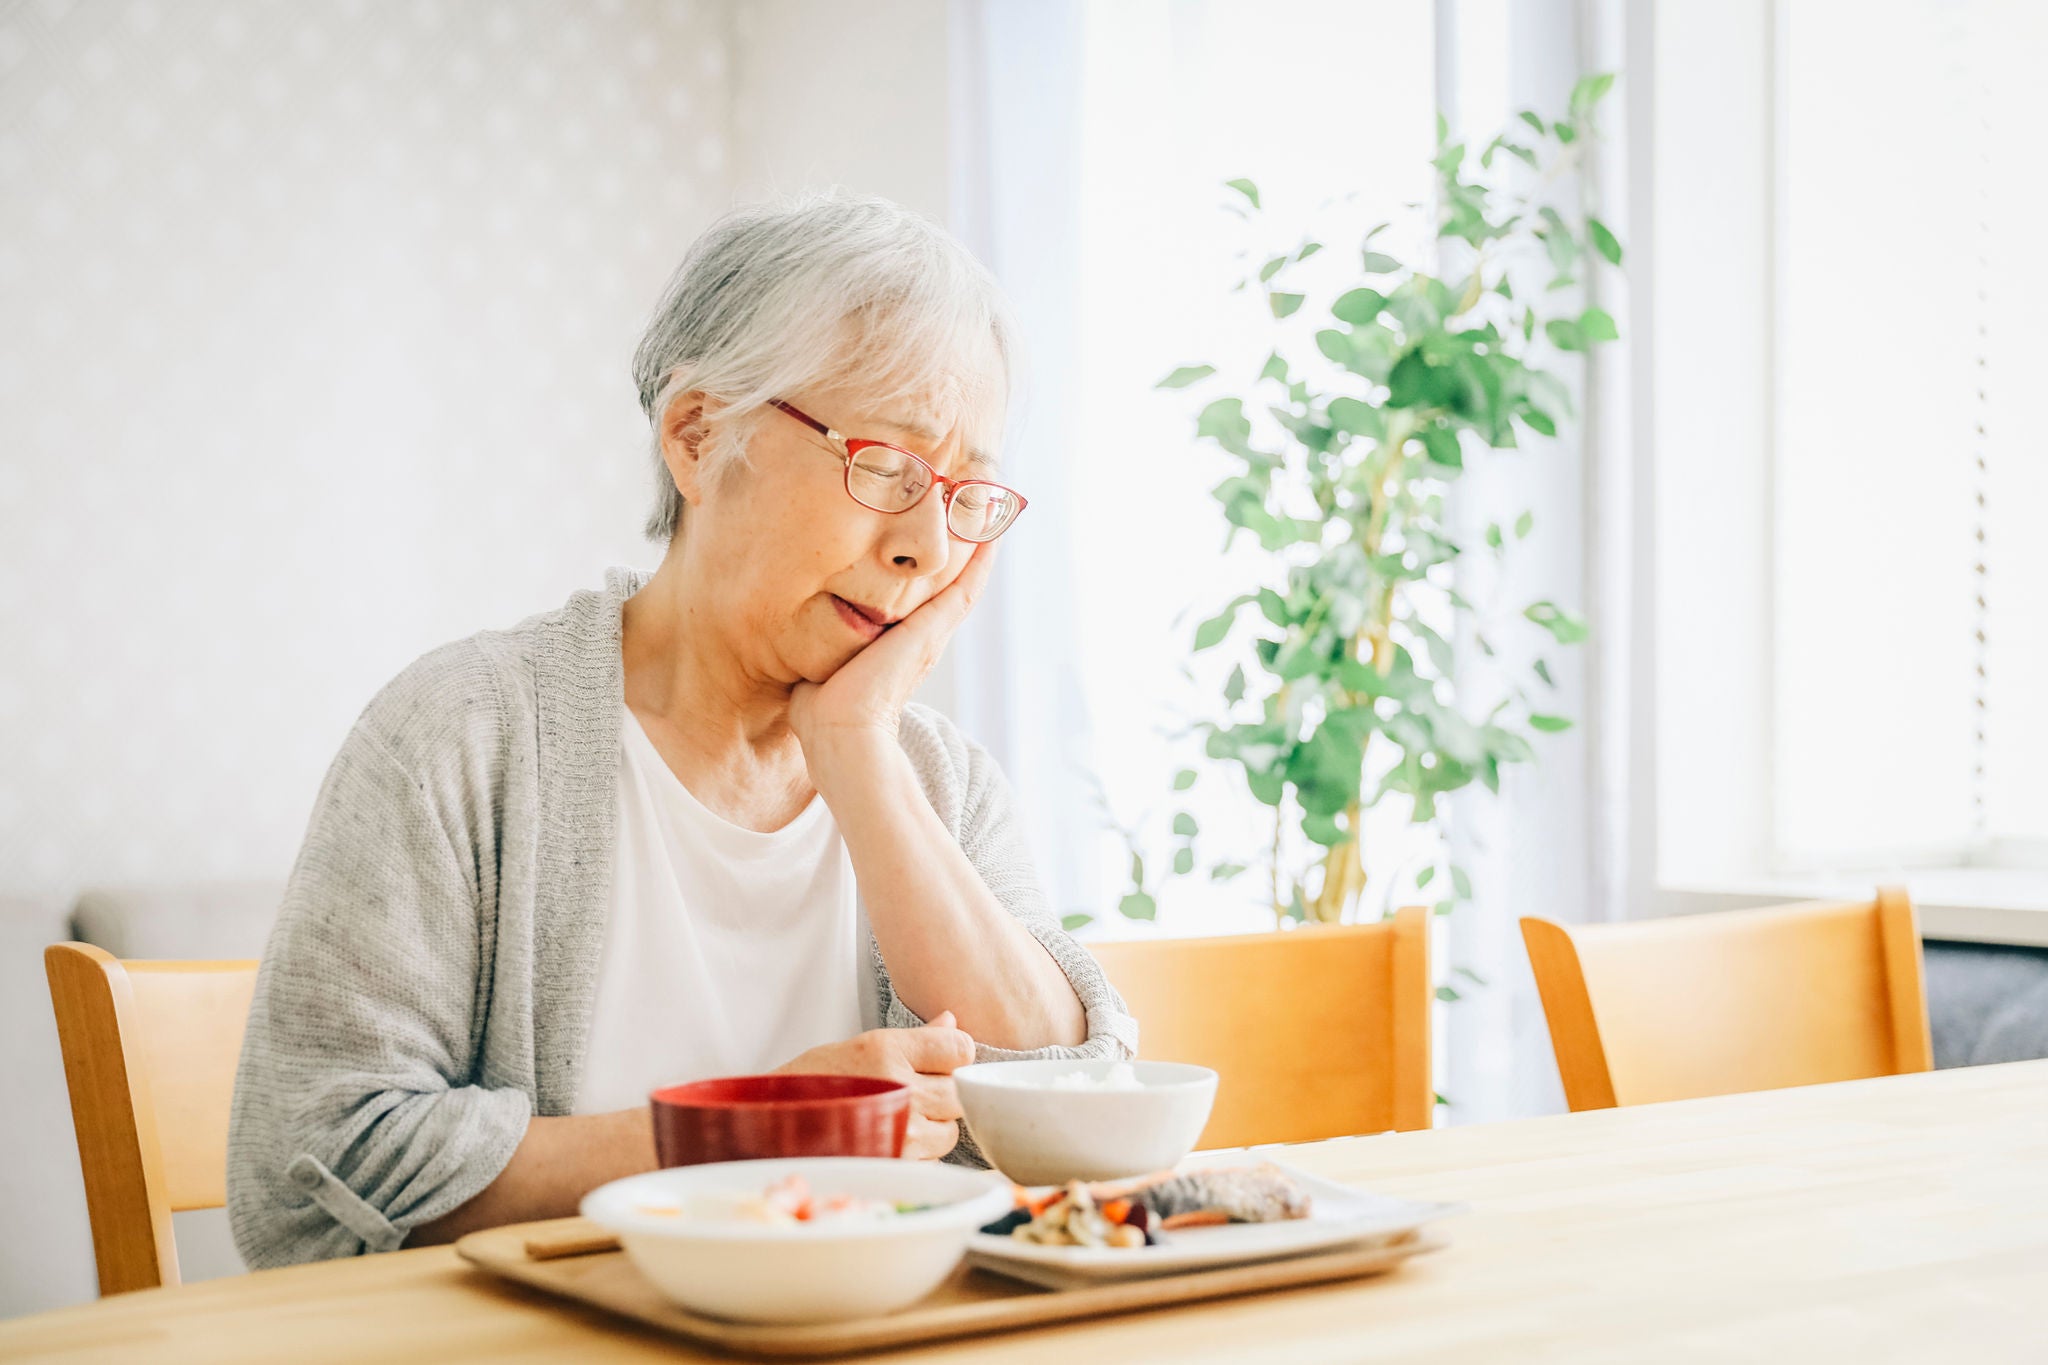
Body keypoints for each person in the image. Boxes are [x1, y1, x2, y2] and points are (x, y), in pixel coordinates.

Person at [226, 192, 1136, 1268]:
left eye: (963, 490)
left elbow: (1074, 1121)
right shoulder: (464, 737)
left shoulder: (937, 782)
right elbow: (312, 1176)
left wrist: (856, 749)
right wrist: (755, 1129)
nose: (925, 547)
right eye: (886, 468)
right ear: (699, 438)